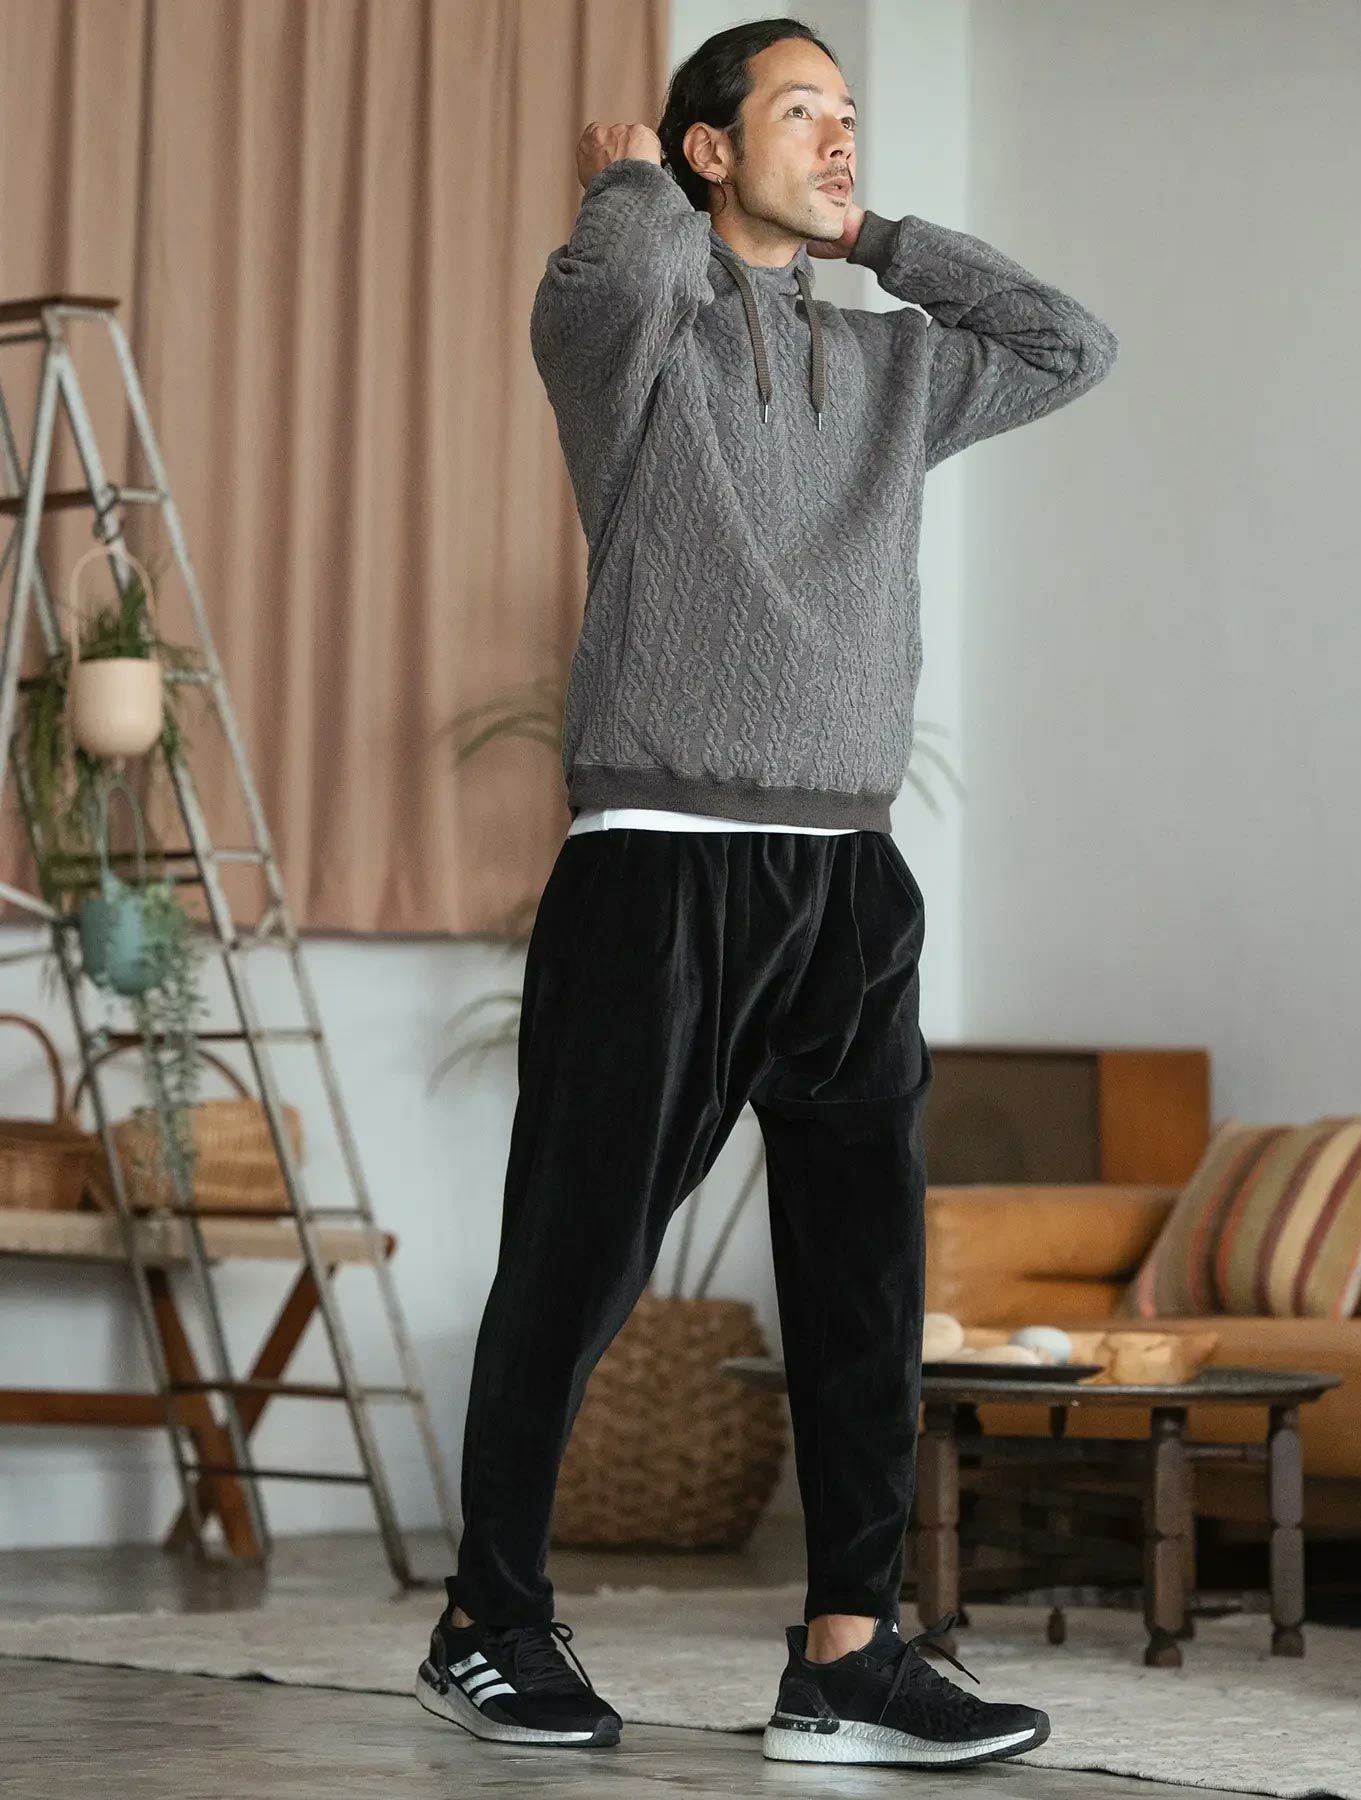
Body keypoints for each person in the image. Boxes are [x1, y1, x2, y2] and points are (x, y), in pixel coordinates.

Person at [414, 13, 1117, 1770]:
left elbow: (1068, 342)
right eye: (801, 111)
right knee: (579, 1259)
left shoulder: (893, 368)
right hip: (658, 865)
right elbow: (603, 292)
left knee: (865, 1279)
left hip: (849, 876)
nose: (840, 135)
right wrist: (635, 192)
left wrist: (875, 239)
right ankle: (487, 1622)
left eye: (850, 112)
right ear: (709, 148)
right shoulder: (635, 341)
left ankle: (849, 1654)